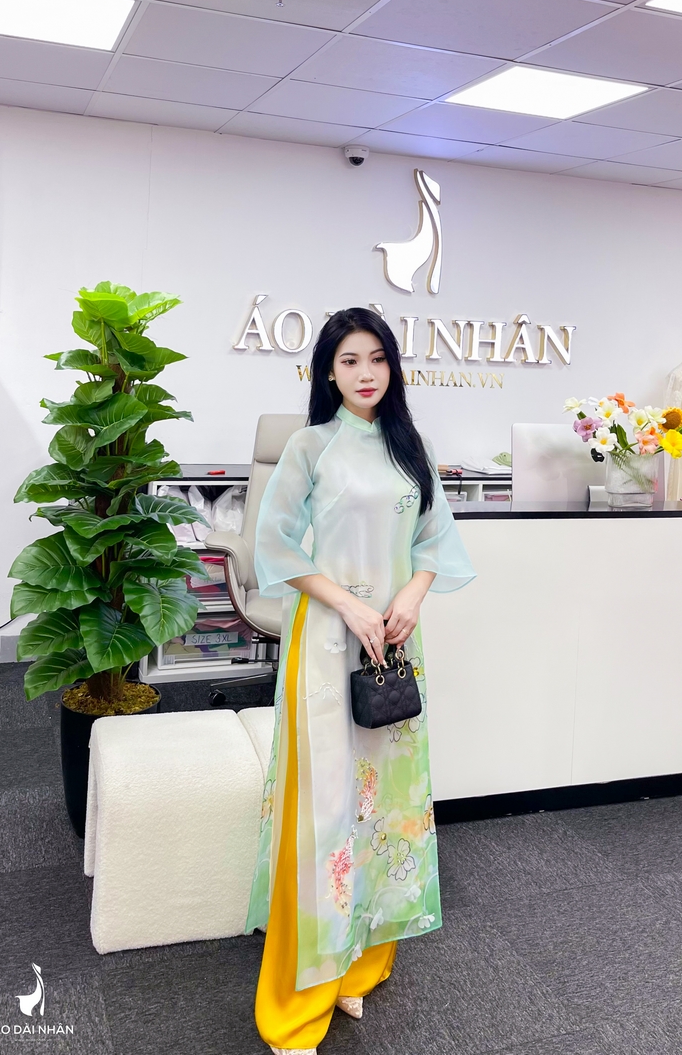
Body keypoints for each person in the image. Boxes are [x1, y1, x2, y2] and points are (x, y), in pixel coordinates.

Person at [246, 308, 476, 1054]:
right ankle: (296, 1005)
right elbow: (275, 544)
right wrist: (346, 602)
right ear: (328, 371)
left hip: (393, 646)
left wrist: (412, 595)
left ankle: (359, 966)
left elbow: (435, 539)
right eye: (349, 360)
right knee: (325, 811)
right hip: (325, 642)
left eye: (377, 358)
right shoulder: (310, 446)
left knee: (387, 805)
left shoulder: (412, 448)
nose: (366, 373)